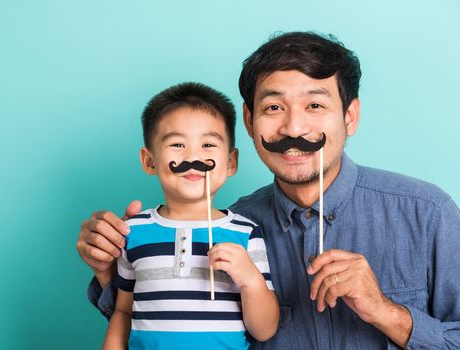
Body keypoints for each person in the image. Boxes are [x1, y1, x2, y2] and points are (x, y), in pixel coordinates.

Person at [78, 32, 460, 349]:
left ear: (350, 116)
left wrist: (384, 311)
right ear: (248, 120)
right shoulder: (231, 227)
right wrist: (109, 269)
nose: (294, 129)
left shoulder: (427, 213)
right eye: (274, 107)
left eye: (314, 104)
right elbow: (163, 323)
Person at [101, 82, 279, 349]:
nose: (193, 155)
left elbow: (264, 330)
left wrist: (250, 280)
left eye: (208, 144)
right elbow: (123, 311)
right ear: (149, 161)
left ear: (231, 162)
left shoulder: (245, 232)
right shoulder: (133, 232)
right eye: (177, 144)